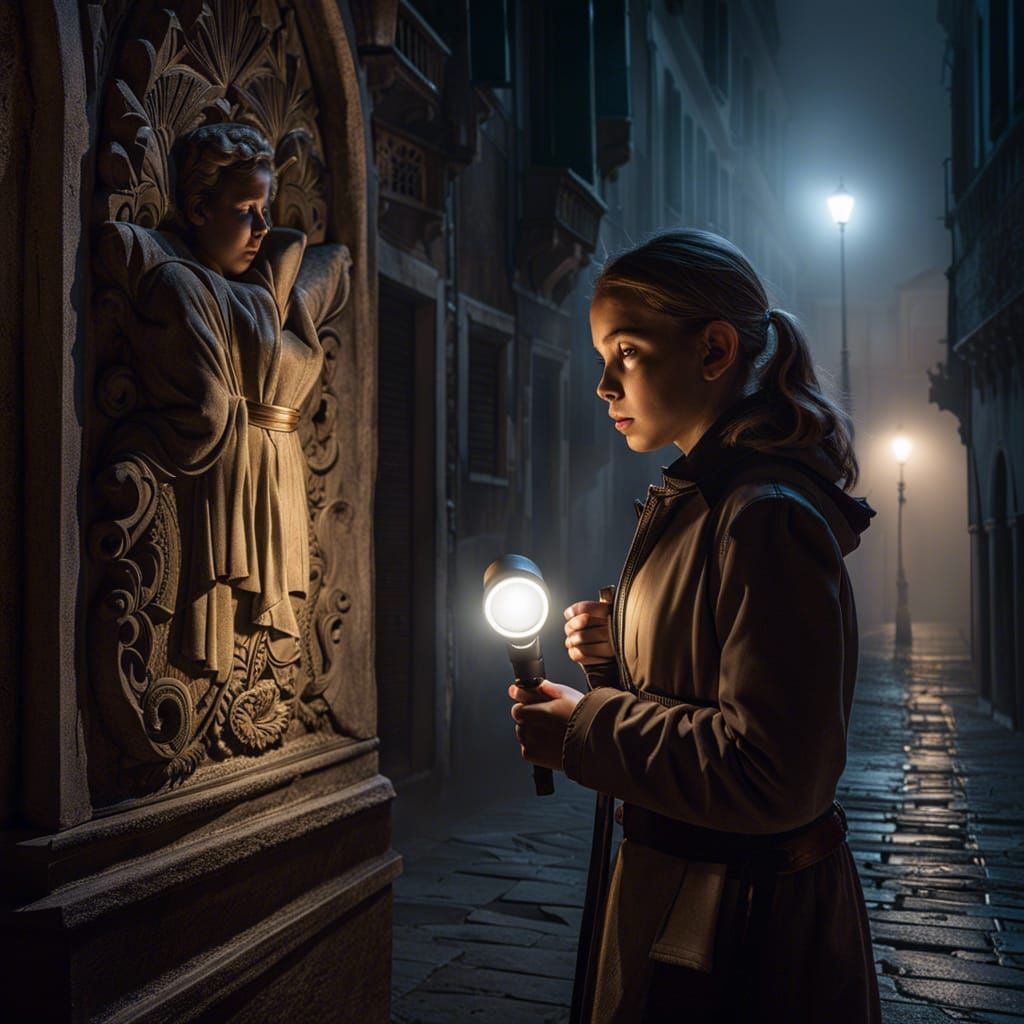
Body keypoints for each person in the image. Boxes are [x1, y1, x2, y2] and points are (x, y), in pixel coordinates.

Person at [508, 229, 882, 1023]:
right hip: (689, 906)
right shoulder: (705, 497)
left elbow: (774, 772)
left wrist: (587, 727)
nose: (604, 384)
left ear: (714, 351)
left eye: (628, 352)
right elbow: (706, 693)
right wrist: (619, 665)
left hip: (744, 935)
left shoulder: (763, 517)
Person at [95, 123, 349, 687]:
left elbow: (333, 263)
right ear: (199, 209)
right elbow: (207, 417)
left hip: (268, 480)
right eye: (247, 211)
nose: (262, 228)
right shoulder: (183, 289)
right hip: (225, 491)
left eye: (266, 211)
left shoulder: (260, 294)